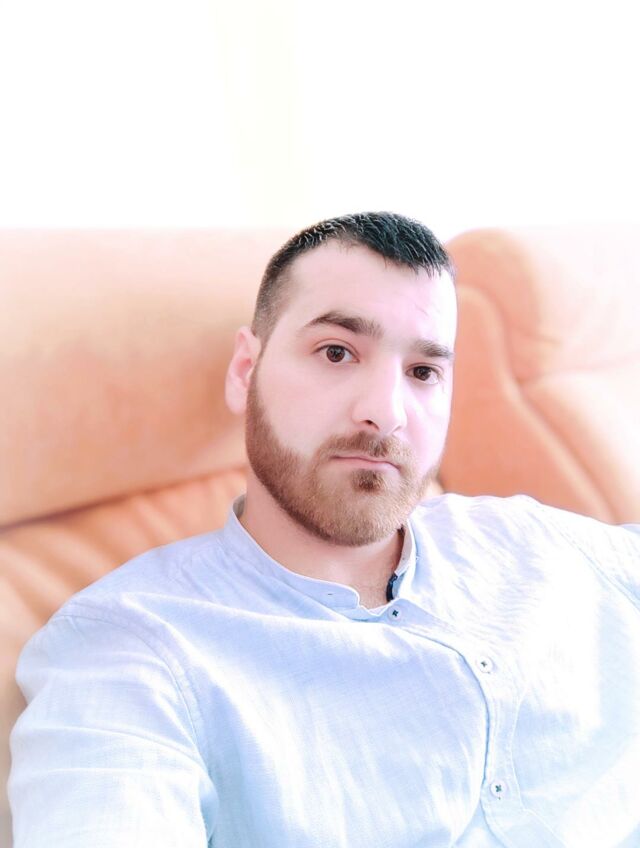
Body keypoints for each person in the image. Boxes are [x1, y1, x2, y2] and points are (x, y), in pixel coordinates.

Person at [8, 212, 640, 848]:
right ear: (245, 371)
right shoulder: (134, 651)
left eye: (424, 372)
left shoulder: (528, 537)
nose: (386, 413)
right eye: (336, 353)